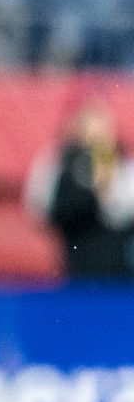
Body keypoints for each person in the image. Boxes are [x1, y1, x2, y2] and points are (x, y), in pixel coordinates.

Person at [26, 99, 134, 282]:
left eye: (102, 124)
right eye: (89, 124)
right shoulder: (58, 161)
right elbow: (40, 208)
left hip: (117, 262)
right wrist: (84, 191)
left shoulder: (122, 164)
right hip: (74, 254)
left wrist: (106, 188)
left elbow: (119, 212)